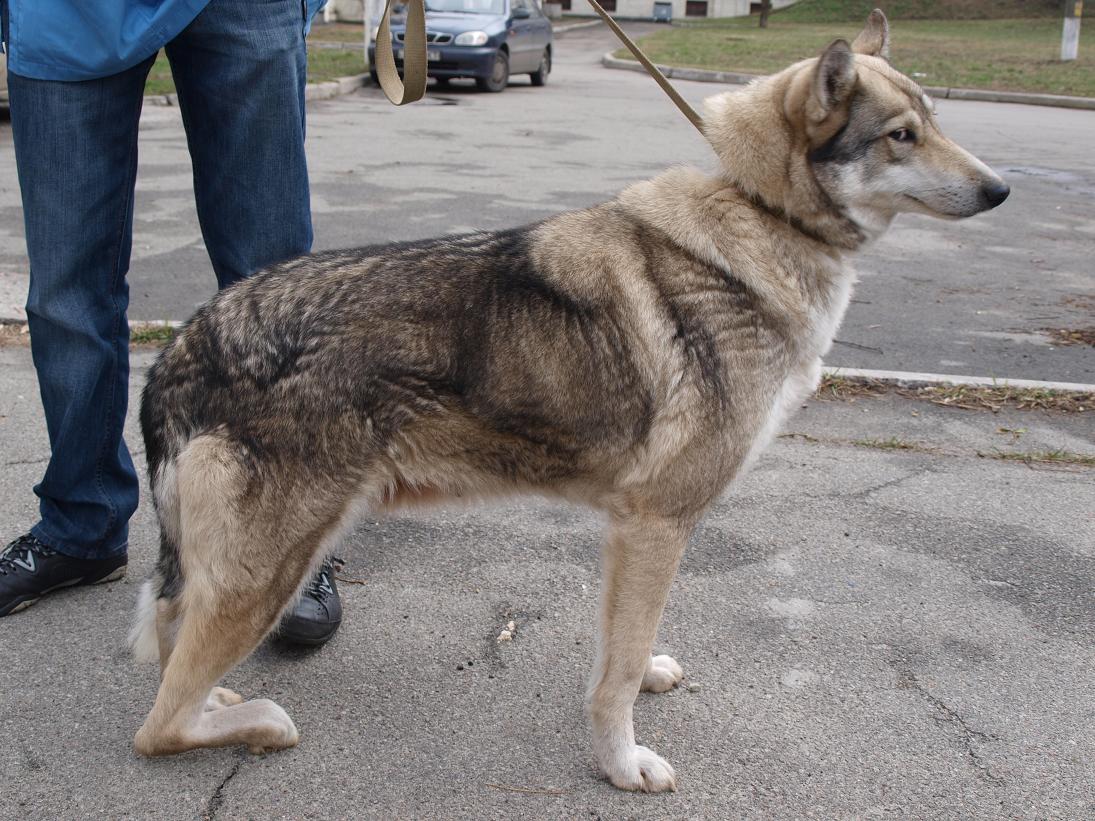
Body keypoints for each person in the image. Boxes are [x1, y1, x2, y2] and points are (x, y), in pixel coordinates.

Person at [0, 0, 342, 645]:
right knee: (66, 294)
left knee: (270, 287)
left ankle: (285, 541)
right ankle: (82, 524)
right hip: (66, 12)